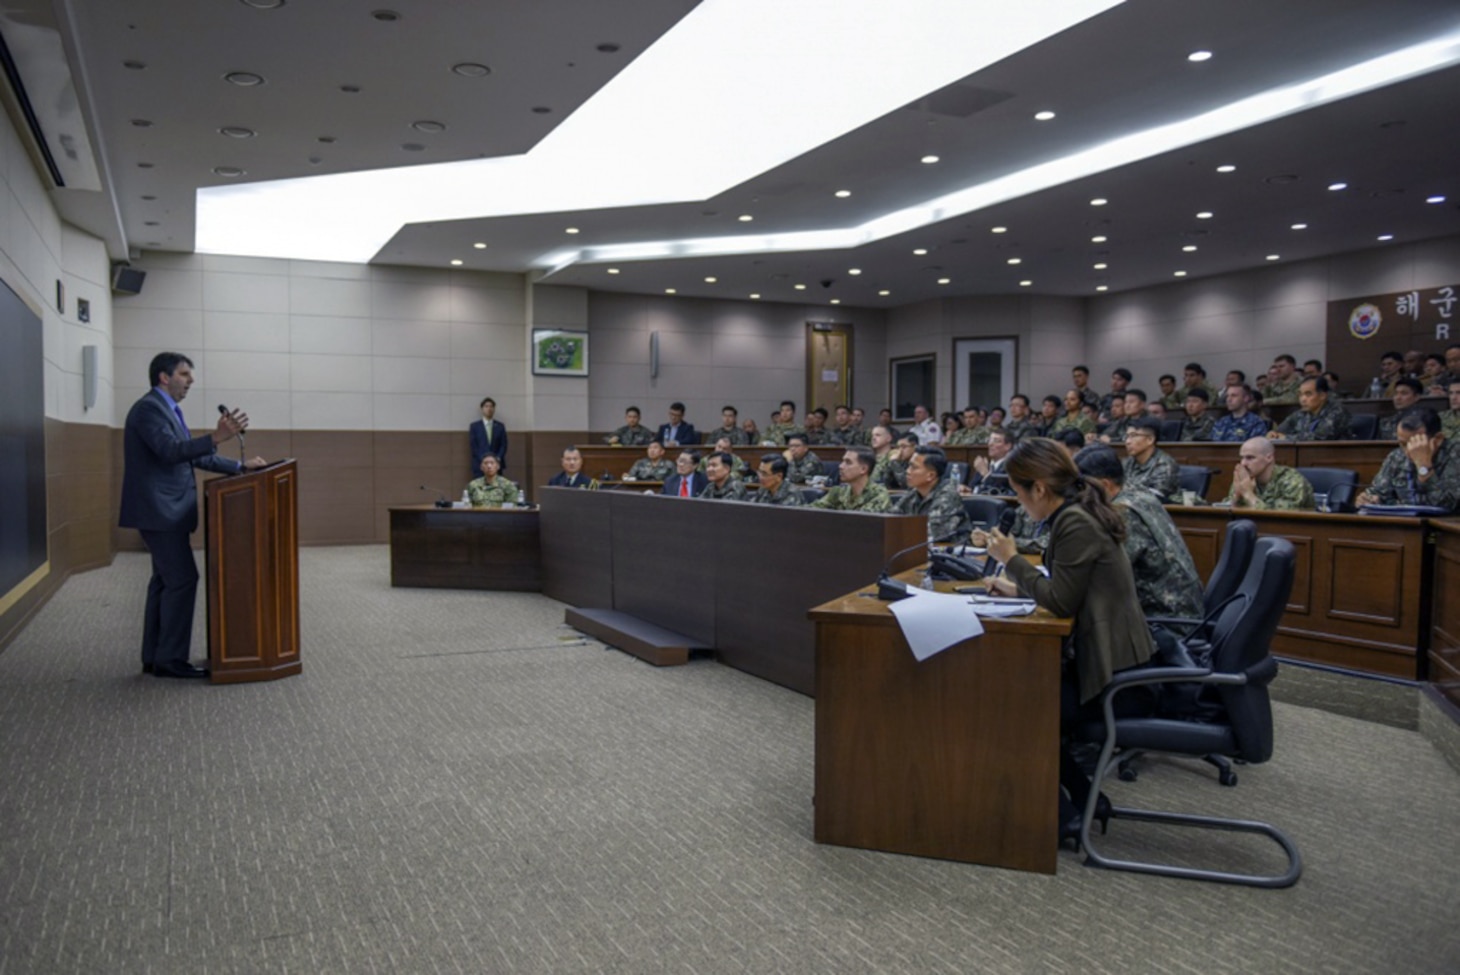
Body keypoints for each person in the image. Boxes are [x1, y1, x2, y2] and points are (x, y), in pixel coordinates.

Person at [985, 437, 1154, 843]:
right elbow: (1069, 589)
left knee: (1018, 709)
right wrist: (1020, 587)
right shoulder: (1076, 511)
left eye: (1017, 492)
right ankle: (1087, 800)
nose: (1018, 502)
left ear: (1039, 489)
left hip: (1120, 678)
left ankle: (1067, 816)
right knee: (1020, 699)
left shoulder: (1075, 521)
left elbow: (1061, 602)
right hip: (1112, 660)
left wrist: (1012, 560)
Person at [119, 352, 266, 679]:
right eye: (185, 375)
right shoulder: (148, 410)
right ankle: (170, 661)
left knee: (165, 581)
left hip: (167, 512)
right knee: (183, 580)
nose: (190, 382)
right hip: (160, 512)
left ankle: (156, 657)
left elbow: (191, 456)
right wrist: (215, 437)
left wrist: (240, 466)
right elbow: (171, 452)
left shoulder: (169, 411)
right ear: (164, 377)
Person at [1074, 445, 1204, 620]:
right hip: (1178, 609)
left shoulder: (1123, 511)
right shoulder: (1137, 492)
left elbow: (1104, 573)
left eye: (1081, 486)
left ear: (1105, 484)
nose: (1078, 493)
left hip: (1166, 620)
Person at [1356, 409, 1460, 512]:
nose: (1407, 451)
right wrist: (1368, 499)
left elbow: (1446, 505)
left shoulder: (1455, 455)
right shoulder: (1396, 456)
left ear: (1438, 439)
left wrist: (1424, 467)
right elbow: (1378, 492)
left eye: (1415, 443)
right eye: (1403, 444)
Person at [893, 447, 972, 543]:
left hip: (950, 552)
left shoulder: (948, 495)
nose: (907, 471)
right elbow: (889, 518)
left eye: (914, 467)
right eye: (909, 466)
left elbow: (930, 533)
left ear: (930, 475)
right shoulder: (913, 494)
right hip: (918, 549)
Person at [1223, 437, 1315, 510]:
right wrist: (1236, 497)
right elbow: (1226, 509)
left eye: (1250, 458)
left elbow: (1278, 517)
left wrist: (1248, 495)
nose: (1243, 463)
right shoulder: (1245, 478)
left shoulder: (1292, 480)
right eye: (1242, 458)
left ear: (1269, 458)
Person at [1270, 376, 1352, 441]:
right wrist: (1273, 434)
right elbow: (1280, 431)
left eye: (1308, 394)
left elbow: (1319, 438)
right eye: (1300, 394)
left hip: (1335, 457)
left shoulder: (1337, 412)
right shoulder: (1301, 413)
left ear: (1322, 396)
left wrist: (1285, 438)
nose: (1303, 399)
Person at [810, 447, 891, 511]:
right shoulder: (838, 492)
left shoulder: (878, 494)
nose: (840, 466)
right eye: (842, 461)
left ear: (863, 469)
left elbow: (861, 522)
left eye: (848, 462)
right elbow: (810, 510)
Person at [1121, 417, 1180, 501]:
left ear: (1150, 439)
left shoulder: (1164, 465)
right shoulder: (1127, 462)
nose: (1127, 441)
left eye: (1133, 436)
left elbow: (1156, 498)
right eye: (1127, 436)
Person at [469, 396, 508, 475]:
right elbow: (474, 446)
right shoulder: (474, 426)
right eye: (486, 406)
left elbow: (503, 445)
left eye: (491, 406)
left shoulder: (500, 426)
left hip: (496, 465)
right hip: (480, 465)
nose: (489, 409)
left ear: (494, 409)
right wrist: (485, 460)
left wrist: (497, 459)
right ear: (482, 409)